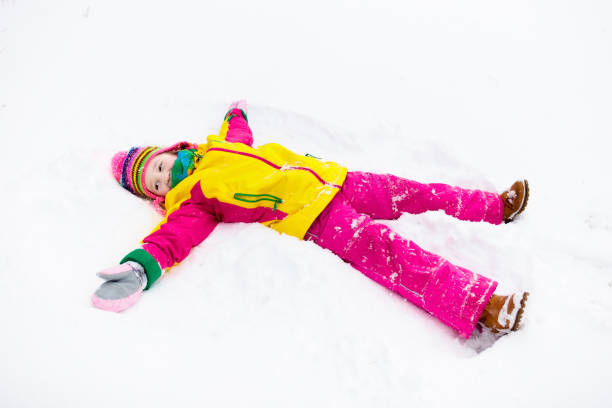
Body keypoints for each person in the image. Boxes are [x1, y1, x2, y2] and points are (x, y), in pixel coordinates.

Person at [92, 100, 530, 338]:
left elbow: (238, 136)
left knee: (414, 192)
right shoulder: (191, 201)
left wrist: (235, 114)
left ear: (166, 151)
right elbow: (171, 240)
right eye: (156, 182)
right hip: (315, 216)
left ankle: (495, 206)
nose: (165, 175)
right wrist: (139, 267)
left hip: (337, 180)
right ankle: (484, 307)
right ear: (157, 196)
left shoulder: (216, 148)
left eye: (160, 165)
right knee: (394, 254)